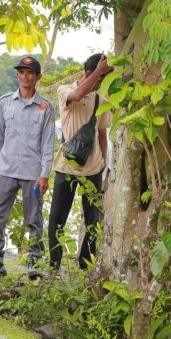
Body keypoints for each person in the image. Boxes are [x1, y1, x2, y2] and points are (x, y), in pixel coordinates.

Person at [0, 56, 55, 281]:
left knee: (34, 218)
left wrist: (44, 174)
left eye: (30, 73)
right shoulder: (5, 103)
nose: (25, 76)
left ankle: (34, 261)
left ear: (38, 77)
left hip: (32, 173)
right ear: (17, 75)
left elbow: (48, 143)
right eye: (21, 72)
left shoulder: (45, 107)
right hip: (5, 169)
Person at [49, 53, 113, 270]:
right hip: (66, 166)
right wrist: (98, 71)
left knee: (93, 221)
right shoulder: (65, 90)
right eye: (99, 79)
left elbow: (102, 134)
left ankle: (86, 264)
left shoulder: (100, 101)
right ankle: (54, 263)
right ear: (88, 74)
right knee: (57, 216)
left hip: (93, 168)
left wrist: (103, 162)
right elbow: (76, 96)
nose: (101, 83)